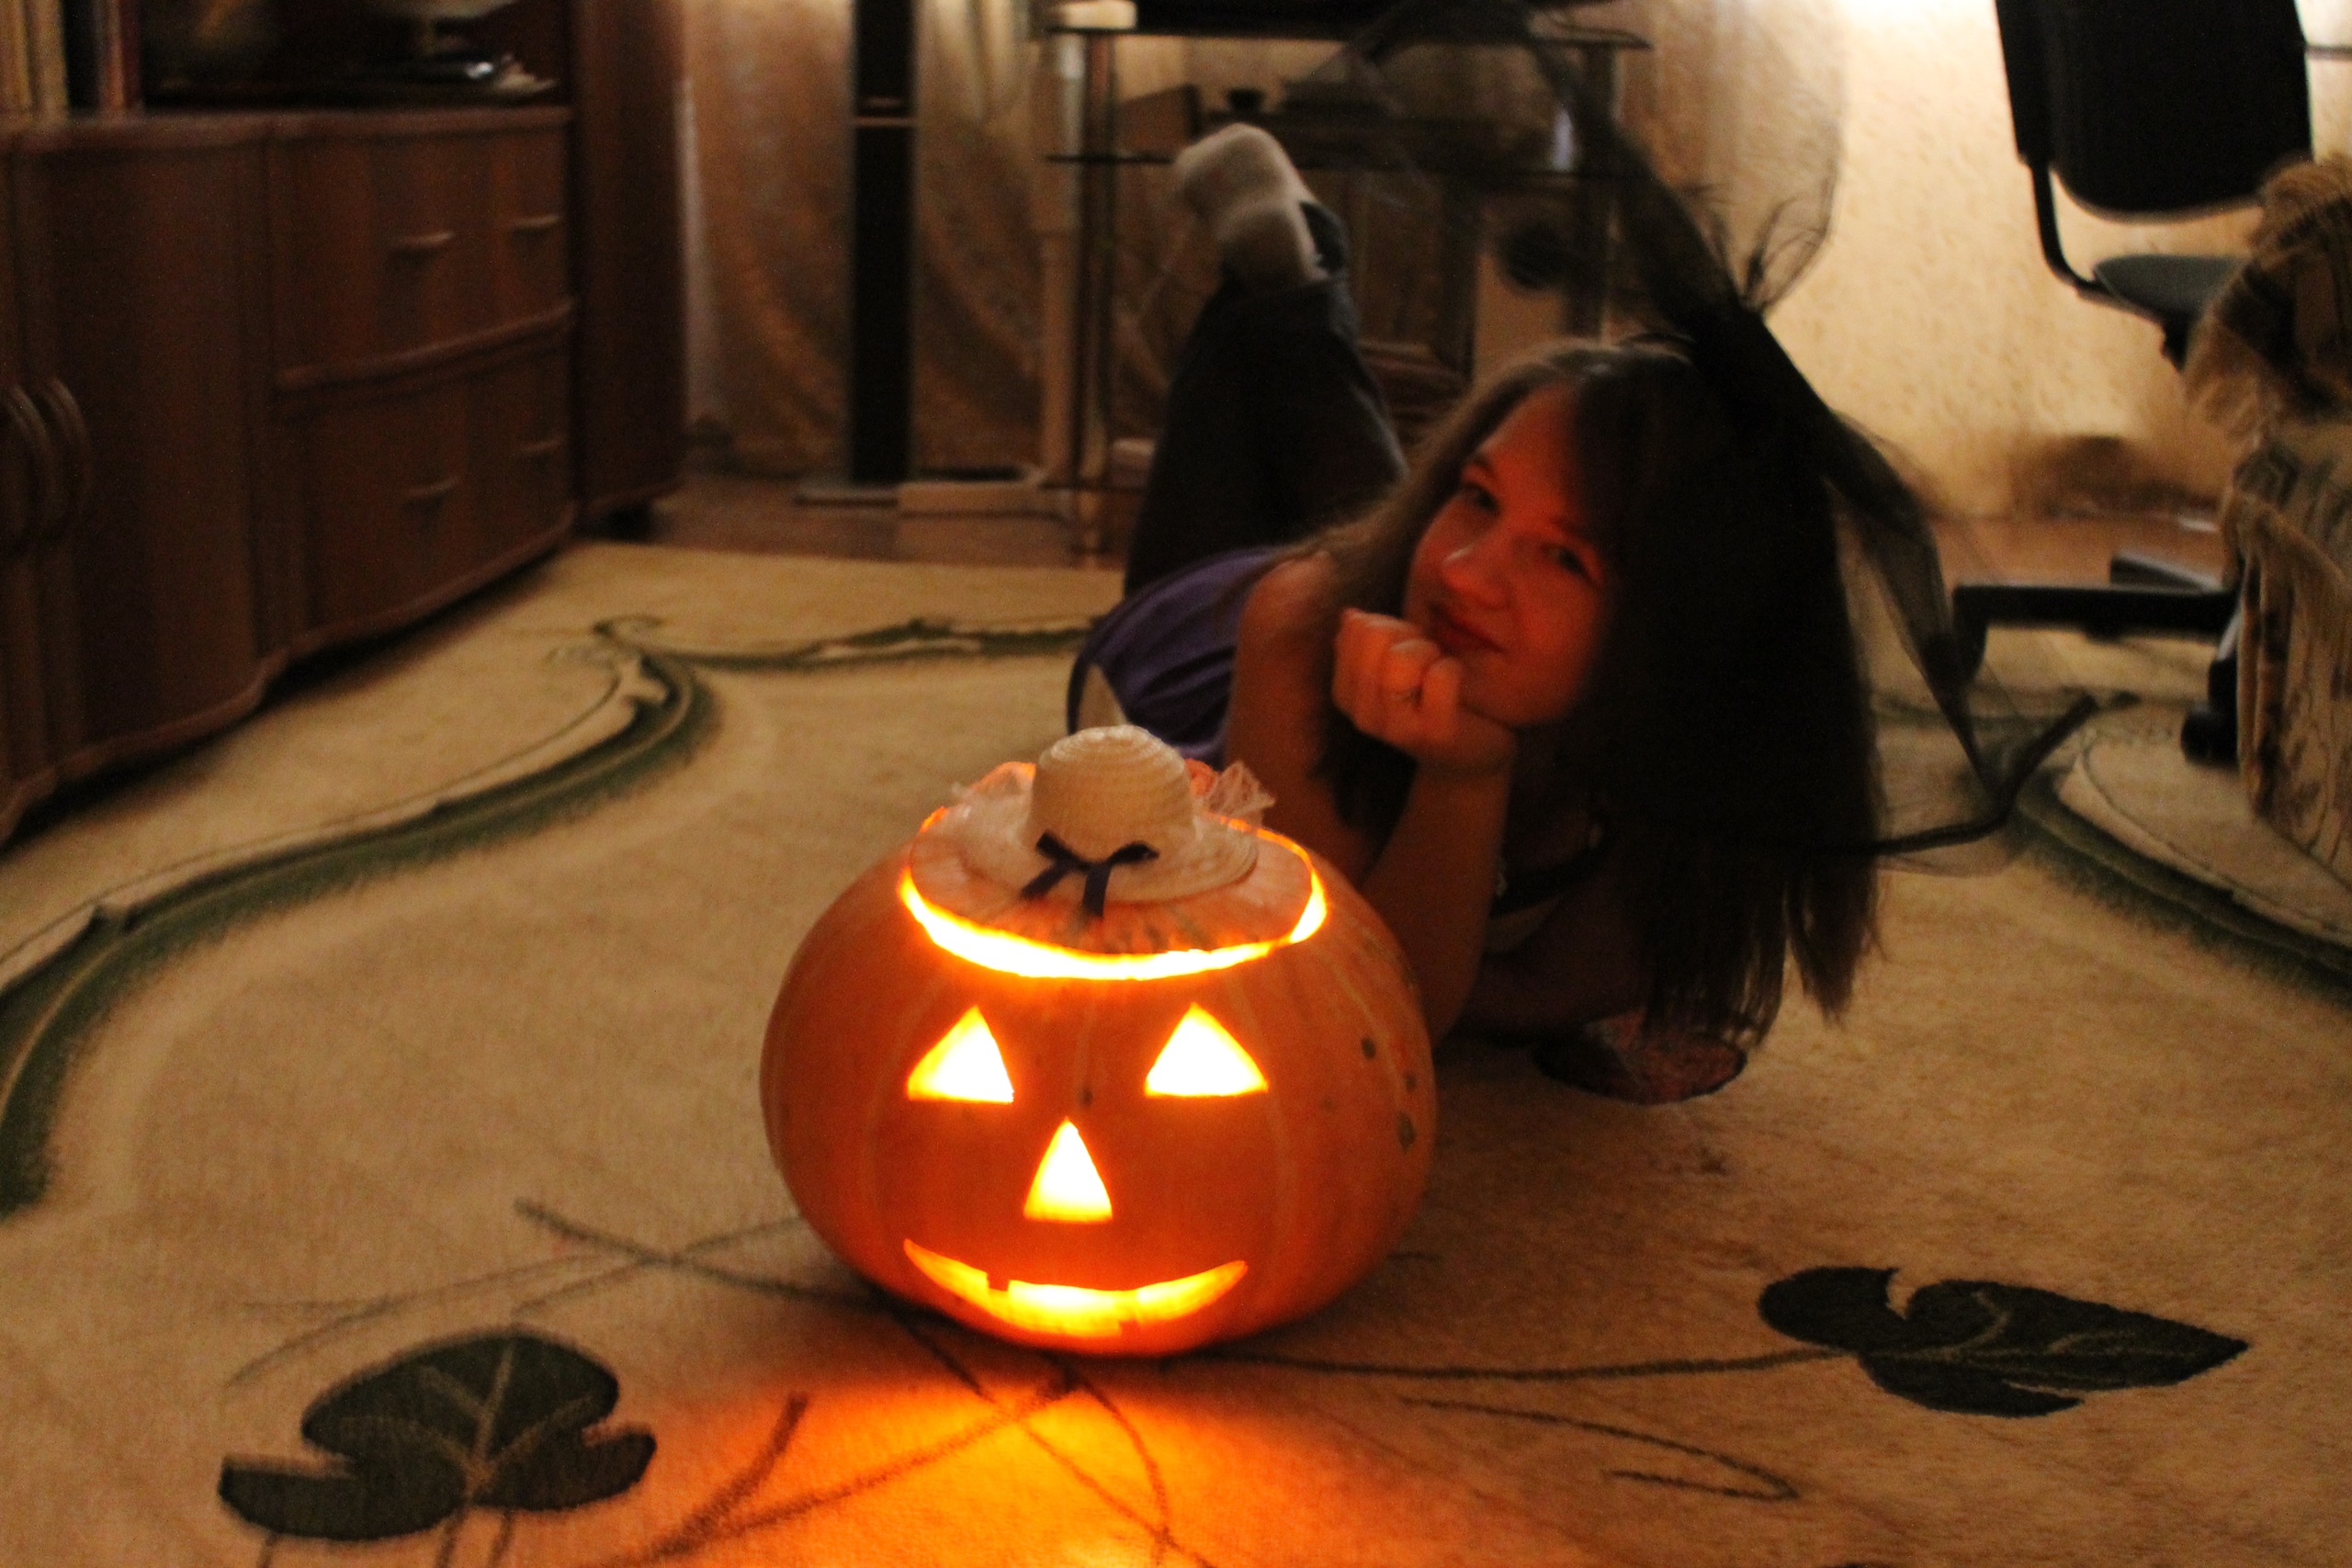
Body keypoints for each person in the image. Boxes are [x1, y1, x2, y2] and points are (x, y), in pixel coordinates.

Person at [1069, 338, 1881, 1099]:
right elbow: (1350, 1012)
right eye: (1478, 496)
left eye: (1565, 556)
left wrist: (1456, 803)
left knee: (1316, 427)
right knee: (1253, 416)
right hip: (1190, 645)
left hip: (1395, 601)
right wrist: (1462, 780)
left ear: (1678, 637)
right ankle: (1288, 299)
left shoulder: (1688, 777)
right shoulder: (1299, 630)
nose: (1464, 570)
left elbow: (1555, 988)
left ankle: (1289, 291)